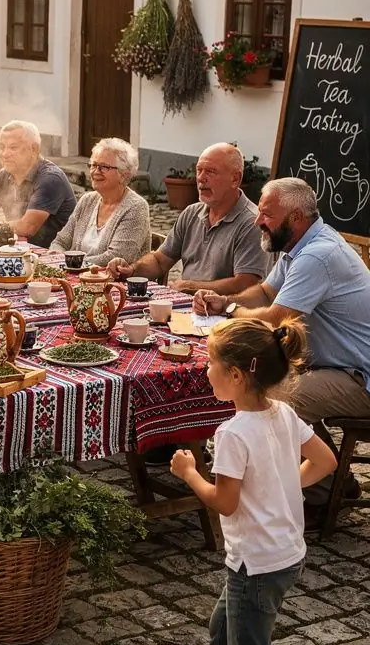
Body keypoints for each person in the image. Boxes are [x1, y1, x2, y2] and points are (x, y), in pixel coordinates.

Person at [169, 317, 335, 645]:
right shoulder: (282, 414)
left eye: (211, 364)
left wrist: (187, 474)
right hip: (282, 555)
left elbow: (223, 503)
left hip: (256, 565)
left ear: (237, 375)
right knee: (223, 631)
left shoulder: (233, 433)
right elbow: (322, 462)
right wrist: (281, 487)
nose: (205, 371)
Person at [193, 177, 370, 503]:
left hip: (359, 377)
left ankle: (324, 491)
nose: (258, 221)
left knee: (273, 395)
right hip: (336, 367)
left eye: (267, 215)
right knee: (261, 378)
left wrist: (230, 311)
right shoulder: (297, 247)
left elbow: (277, 317)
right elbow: (264, 293)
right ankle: (334, 481)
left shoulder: (318, 256)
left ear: (297, 218)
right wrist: (224, 300)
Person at [107, 143, 268, 294]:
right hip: (186, 307)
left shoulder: (252, 222)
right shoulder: (192, 213)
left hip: (224, 315)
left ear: (235, 179)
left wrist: (190, 286)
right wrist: (132, 270)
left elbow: (246, 284)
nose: (201, 178)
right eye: (199, 170)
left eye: (211, 171)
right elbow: (160, 261)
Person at [0, 120, 76, 250]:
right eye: (2, 147)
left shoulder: (50, 178)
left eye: (13, 148)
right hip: (21, 252)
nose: (5, 154)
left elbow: (27, 227)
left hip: (55, 257)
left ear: (34, 149)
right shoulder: (5, 174)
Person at [51, 138, 150, 266]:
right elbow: (60, 241)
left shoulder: (136, 207)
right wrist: (58, 257)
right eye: (93, 165)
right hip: (76, 277)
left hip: (113, 282)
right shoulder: (87, 200)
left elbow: (116, 258)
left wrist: (71, 263)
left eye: (104, 167)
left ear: (124, 175)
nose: (95, 172)